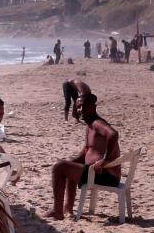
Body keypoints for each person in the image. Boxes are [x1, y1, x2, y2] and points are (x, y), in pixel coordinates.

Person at [45, 92, 120, 220]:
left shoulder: (97, 123)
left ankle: (57, 212)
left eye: (84, 106)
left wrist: (105, 160)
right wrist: (67, 162)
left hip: (105, 175)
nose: (80, 110)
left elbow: (113, 134)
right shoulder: (89, 126)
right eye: (78, 107)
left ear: (93, 107)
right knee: (64, 166)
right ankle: (67, 209)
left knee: (60, 167)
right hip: (94, 172)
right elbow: (85, 153)